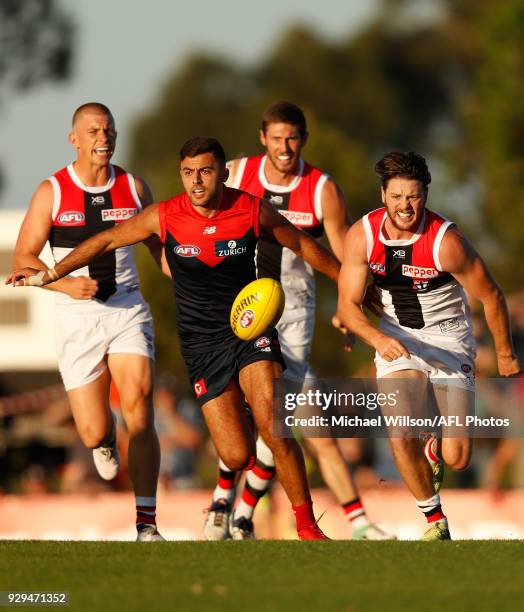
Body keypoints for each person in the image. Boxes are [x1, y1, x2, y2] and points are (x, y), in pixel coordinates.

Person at [8, 136, 341, 540]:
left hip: (249, 329)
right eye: (188, 173)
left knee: (275, 423)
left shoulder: (251, 209)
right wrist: (53, 274)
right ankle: (242, 437)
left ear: (221, 172)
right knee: (237, 454)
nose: (197, 181)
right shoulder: (165, 215)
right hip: (202, 345)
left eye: (205, 171)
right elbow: (106, 240)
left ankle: (307, 527)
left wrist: (351, 288)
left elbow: (305, 244)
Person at [204, 101, 394, 541]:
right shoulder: (236, 173)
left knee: (283, 414)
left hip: (295, 308)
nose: (284, 147)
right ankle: (233, 508)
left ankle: (235, 510)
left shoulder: (322, 188)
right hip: (243, 302)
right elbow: (202, 216)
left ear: (303, 139)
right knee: (268, 413)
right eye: (276, 139)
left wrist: (348, 308)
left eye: (292, 138)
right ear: (262, 139)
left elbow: (345, 257)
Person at [336, 150, 521, 540]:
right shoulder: (361, 236)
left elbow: (492, 296)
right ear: (383, 195)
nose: (406, 206)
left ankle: (435, 446)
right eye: (398, 196)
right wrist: (377, 338)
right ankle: (435, 522)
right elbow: (347, 308)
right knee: (400, 429)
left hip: (450, 342)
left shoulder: (446, 242)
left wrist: (504, 355)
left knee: (457, 458)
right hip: (397, 338)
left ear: (426, 195)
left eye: (414, 196)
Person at [10, 102, 164, 541]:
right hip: (77, 319)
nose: (103, 137)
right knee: (95, 429)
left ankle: (146, 523)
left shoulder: (135, 187)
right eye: (94, 130)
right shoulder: (52, 192)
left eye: (109, 129)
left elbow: (160, 251)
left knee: (141, 406)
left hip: (128, 309)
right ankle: (104, 439)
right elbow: (23, 259)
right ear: (74, 139)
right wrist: (64, 285)